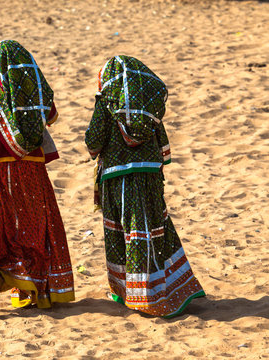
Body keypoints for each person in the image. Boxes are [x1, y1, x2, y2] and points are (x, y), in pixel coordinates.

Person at [85, 55, 205, 318]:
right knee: (153, 227)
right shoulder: (148, 108)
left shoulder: (107, 102)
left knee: (127, 232)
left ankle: (142, 295)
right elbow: (163, 146)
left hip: (119, 179)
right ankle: (172, 287)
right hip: (150, 176)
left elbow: (93, 141)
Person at [0, 40, 75, 309]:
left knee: (2, 227)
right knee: (35, 225)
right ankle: (36, 289)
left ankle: (4, 285)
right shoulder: (39, 95)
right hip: (32, 170)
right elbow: (48, 120)